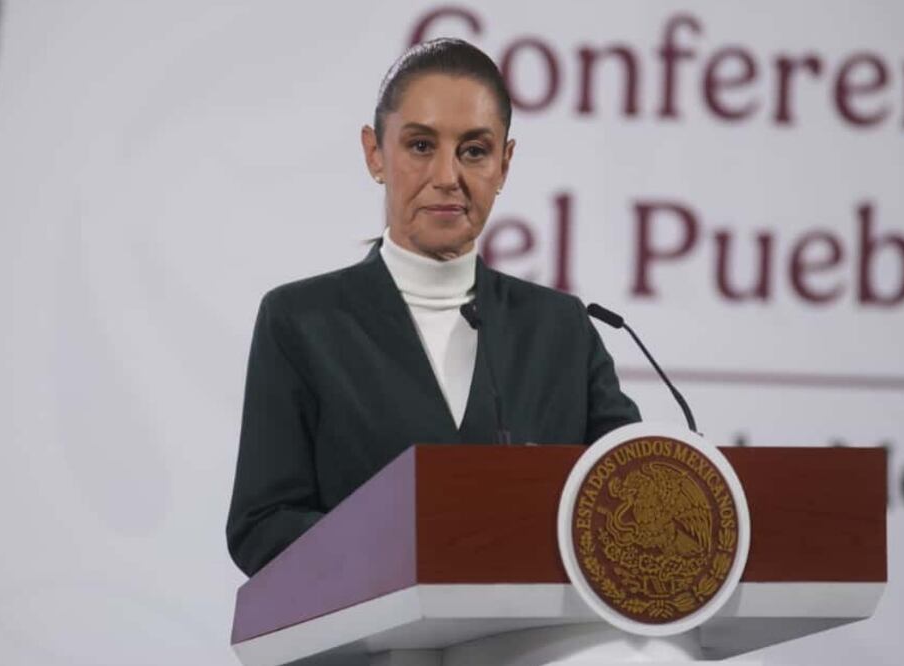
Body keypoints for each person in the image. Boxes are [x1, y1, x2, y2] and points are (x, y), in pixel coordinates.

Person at [226, 38, 641, 577]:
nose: (448, 176)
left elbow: (636, 495)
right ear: (375, 153)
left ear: (505, 163)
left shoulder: (560, 329)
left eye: (474, 150)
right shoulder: (302, 321)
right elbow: (261, 526)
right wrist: (405, 547)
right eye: (421, 146)